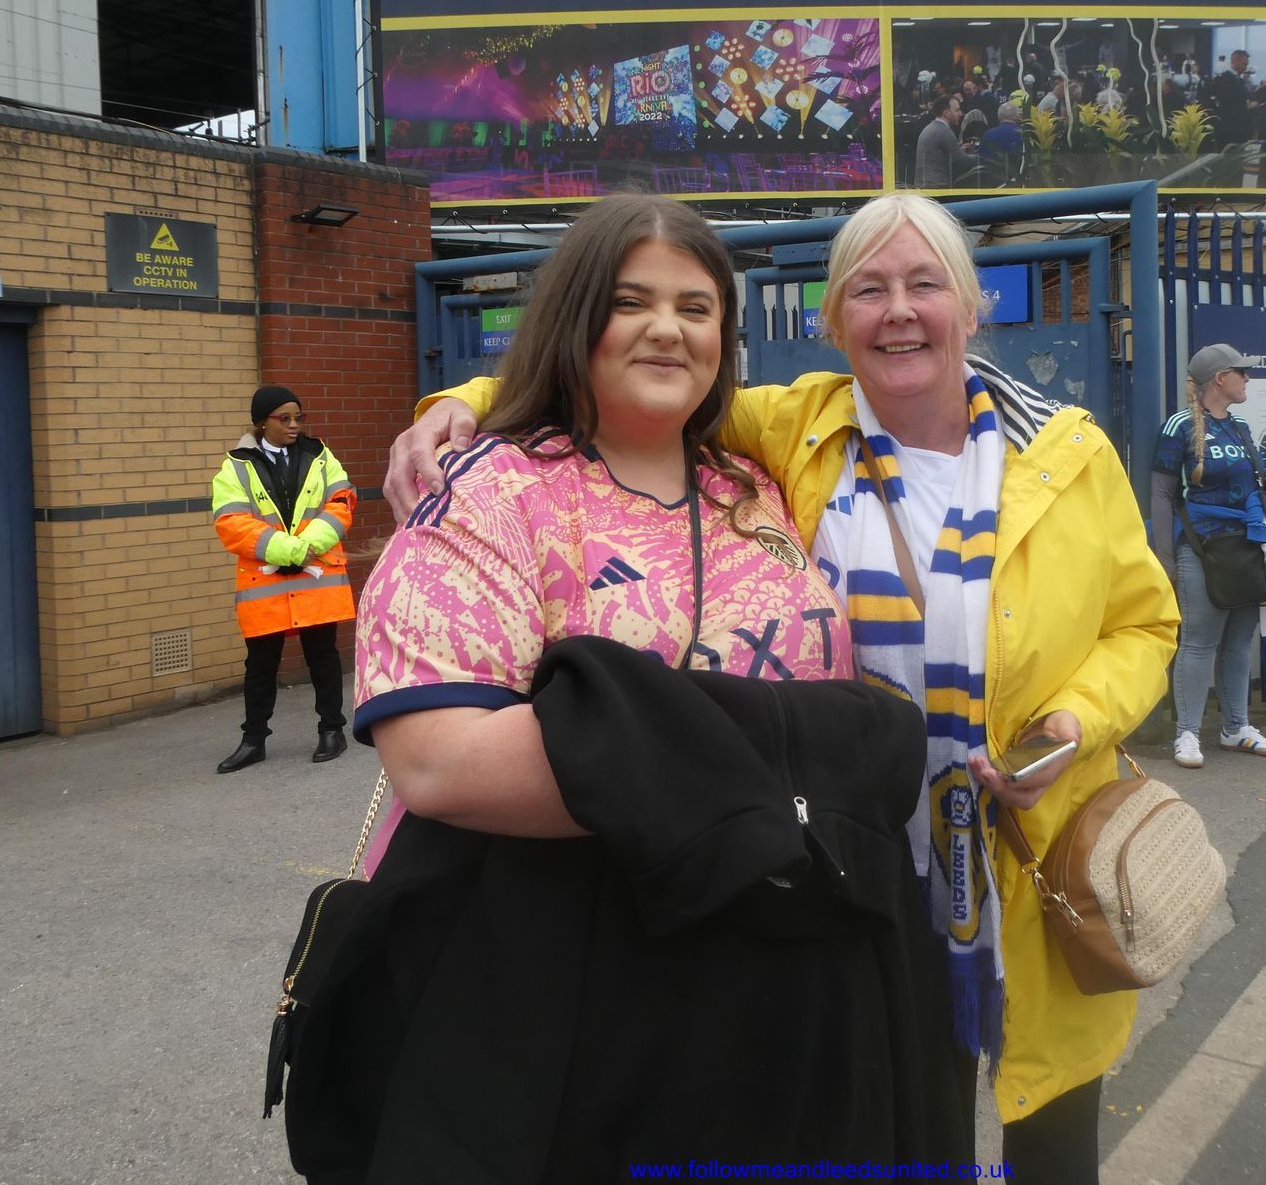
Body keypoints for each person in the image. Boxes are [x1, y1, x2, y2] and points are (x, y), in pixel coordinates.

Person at [389, 193, 1180, 1183]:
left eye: (926, 284)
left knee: (1056, 1141)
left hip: (1027, 851)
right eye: (869, 290)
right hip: (856, 867)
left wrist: (1076, 718)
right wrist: (457, 401)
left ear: (971, 306)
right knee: (913, 1127)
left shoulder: (1067, 453)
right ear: (833, 320)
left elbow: (1144, 624)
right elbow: (619, 371)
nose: (899, 310)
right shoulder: (792, 428)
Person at [329, 196, 961, 1174]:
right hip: (569, 977)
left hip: (778, 972)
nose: (668, 328)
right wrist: (787, 770)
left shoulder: (751, 486)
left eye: (696, 308)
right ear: (576, 316)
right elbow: (438, 761)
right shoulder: (492, 494)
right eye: (632, 302)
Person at [1151, 343, 1266, 768]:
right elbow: (1161, 495)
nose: (1248, 378)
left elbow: (1249, 480)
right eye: (1242, 372)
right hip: (1200, 548)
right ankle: (1187, 733)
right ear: (1220, 378)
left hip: (1246, 546)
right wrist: (1165, 559)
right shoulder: (1178, 426)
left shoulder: (1241, 426)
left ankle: (1236, 728)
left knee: (1238, 642)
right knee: (1199, 642)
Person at [209, 387, 356, 773]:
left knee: (323, 658)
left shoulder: (320, 456)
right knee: (260, 665)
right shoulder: (236, 467)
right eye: (284, 418)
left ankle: (332, 731)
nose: (294, 425)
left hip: (315, 577)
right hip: (270, 584)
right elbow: (231, 523)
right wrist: (289, 550)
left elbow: (341, 503)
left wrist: (307, 546)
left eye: (298, 417)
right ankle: (253, 740)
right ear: (262, 422)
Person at [915, 94, 968, 188]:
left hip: (924, 185)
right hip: (937, 187)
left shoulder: (932, 127)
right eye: (957, 110)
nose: (960, 114)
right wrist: (982, 156)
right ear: (946, 113)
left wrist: (959, 149)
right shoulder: (944, 131)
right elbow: (962, 162)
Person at [977, 101, 1025, 184]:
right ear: (1017, 116)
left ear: (999, 116)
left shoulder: (987, 135)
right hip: (1016, 183)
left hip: (990, 183)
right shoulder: (1023, 135)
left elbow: (981, 159)